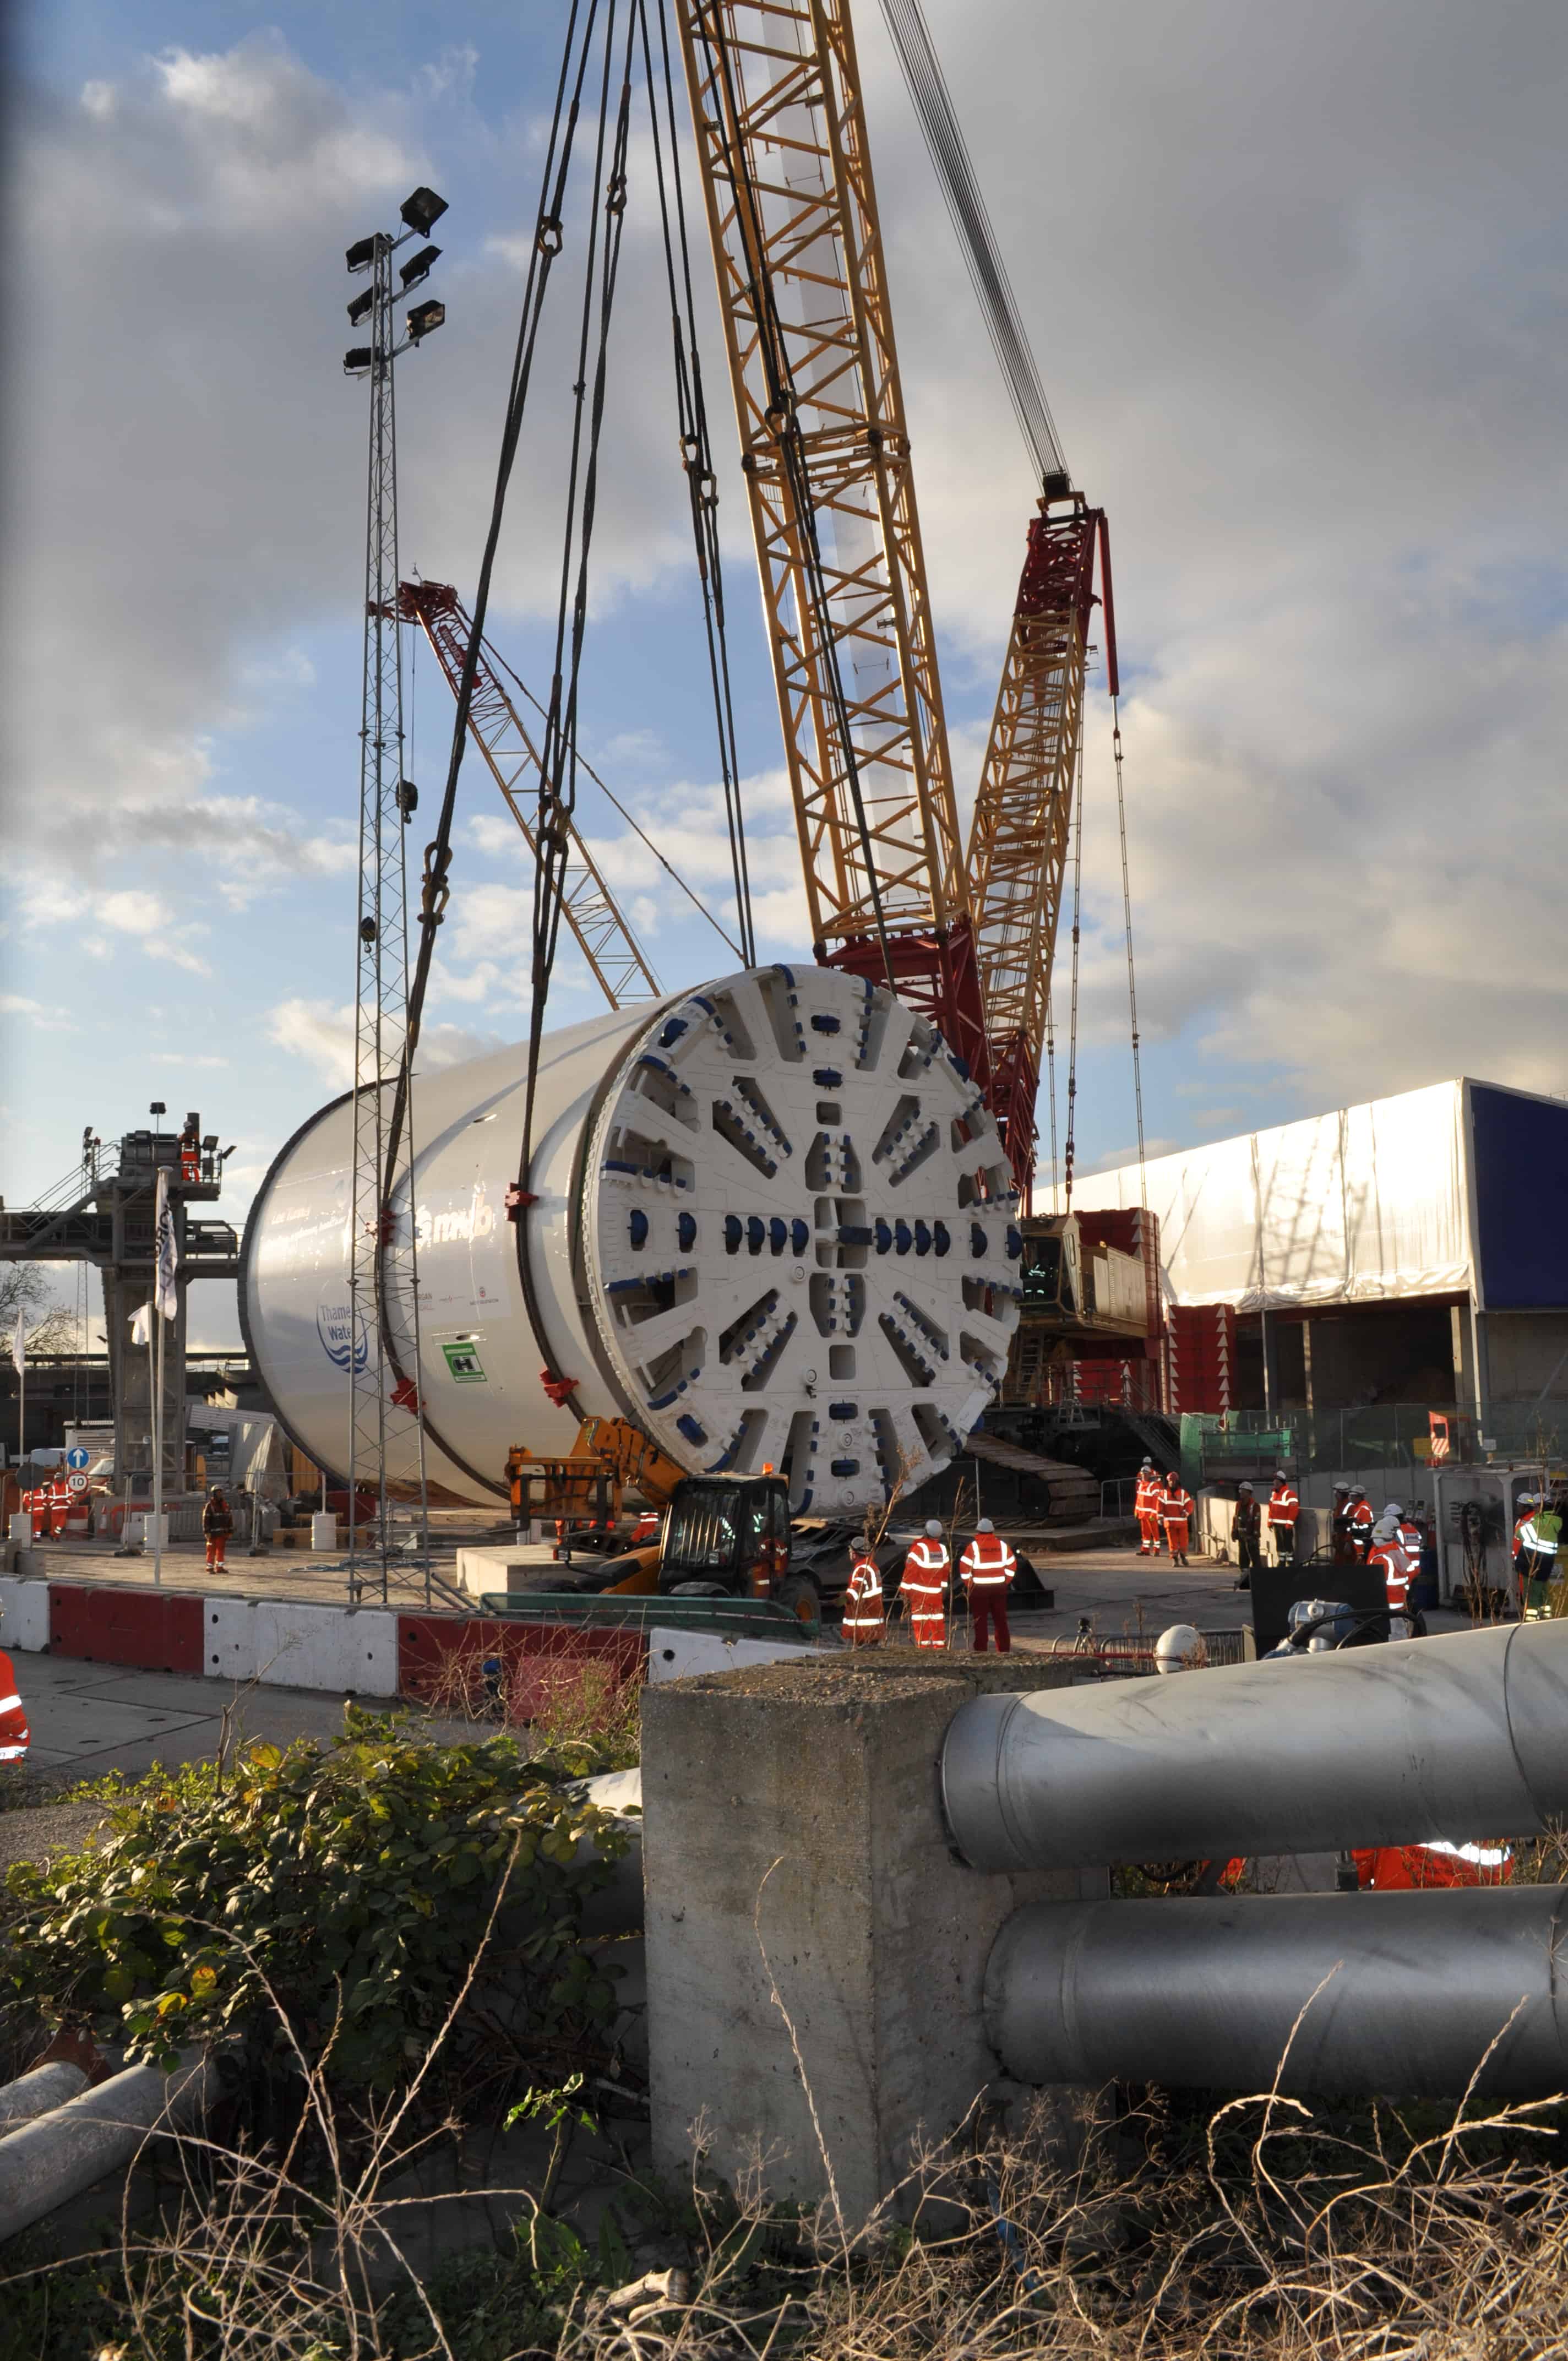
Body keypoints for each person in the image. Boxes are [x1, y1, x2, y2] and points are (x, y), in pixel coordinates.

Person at [959, 1516, 1017, 1653]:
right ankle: (1004, 1651)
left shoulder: (973, 1547)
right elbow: (1012, 1566)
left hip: (979, 1590)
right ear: (993, 1531)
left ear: (978, 1532)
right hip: (999, 1589)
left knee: (980, 1622)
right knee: (1001, 1621)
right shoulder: (1002, 1546)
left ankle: (981, 1651)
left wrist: (970, 1585)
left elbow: (964, 1569)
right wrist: (1004, 1581)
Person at [900, 1519, 949, 1649]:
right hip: (937, 1596)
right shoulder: (943, 1550)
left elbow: (910, 1572)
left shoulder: (919, 1549)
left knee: (921, 1624)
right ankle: (940, 1649)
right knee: (938, 1623)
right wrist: (943, 1588)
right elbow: (945, 1572)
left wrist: (904, 1591)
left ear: (926, 1532)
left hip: (920, 1596)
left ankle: (924, 1651)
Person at [1366, 1507, 1413, 1639]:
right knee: (1400, 1636)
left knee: (1393, 1638)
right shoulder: (1395, 1552)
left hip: (1388, 1605)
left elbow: (1375, 1583)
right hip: (1399, 1604)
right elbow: (1409, 1572)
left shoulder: (1382, 1558)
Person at [842, 1541, 885, 1647]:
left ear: (855, 1554)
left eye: (850, 1551)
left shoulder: (862, 1569)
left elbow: (854, 1593)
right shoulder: (871, 1566)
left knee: (863, 1655)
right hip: (873, 1622)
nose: (850, 1554)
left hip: (864, 1624)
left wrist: (842, 1599)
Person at [1159, 1470, 1195, 1567]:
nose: (1172, 1482)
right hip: (1170, 1524)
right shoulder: (1163, 1493)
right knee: (1172, 1543)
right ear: (1168, 1481)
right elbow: (1160, 1506)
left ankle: (1183, 1557)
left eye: (1174, 1480)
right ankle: (1175, 1560)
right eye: (1170, 1480)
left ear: (1177, 1481)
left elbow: (1190, 1505)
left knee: (1184, 1542)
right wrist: (1160, 1517)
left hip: (1182, 1523)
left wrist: (1186, 1512)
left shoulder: (1183, 1493)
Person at [1267, 1470, 1299, 1566]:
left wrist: (1289, 1524)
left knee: (1288, 1547)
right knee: (1280, 1547)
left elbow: (1293, 1510)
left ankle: (1290, 1563)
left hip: (1286, 1527)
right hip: (1277, 1526)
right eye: (1274, 1481)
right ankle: (1282, 1562)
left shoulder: (1290, 1494)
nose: (1275, 1483)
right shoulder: (1274, 1494)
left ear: (1282, 1482)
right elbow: (1271, 1509)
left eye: (1277, 1482)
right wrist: (1270, 1522)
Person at [1232, 1482, 1262, 1585]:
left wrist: (1255, 1535)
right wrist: (1234, 1530)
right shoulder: (1238, 1504)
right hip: (1241, 1536)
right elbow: (1236, 1518)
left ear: (1249, 1493)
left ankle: (1258, 1580)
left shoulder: (1255, 1506)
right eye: (1240, 1491)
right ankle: (1245, 1580)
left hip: (1251, 1537)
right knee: (1243, 1558)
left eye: (1243, 1491)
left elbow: (1257, 1521)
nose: (1241, 1493)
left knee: (1255, 1559)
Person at [203, 1484, 234, 1573]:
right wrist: (207, 1532)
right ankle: (210, 1567)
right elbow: (206, 1519)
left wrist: (230, 1531)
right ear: (214, 1494)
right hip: (212, 1534)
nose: (220, 1494)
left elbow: (229, 1518)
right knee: (211, 1550)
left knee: (221, 1551)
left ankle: (220, 1568)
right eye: (218, 1492)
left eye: (221, 1492)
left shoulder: (225, 1505)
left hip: (222, 1534)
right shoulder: (210, 1506)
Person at [1134, 1460, 1161, 1557]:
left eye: (1145, 1474)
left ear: (1150, 1474)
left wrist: (1154, 1514)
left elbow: (1156, 1502)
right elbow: (1139, 1499)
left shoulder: (1154, 1486)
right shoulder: (1141, 1485)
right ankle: (1145, 1550)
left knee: (1154, 1532)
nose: (1143, 1476)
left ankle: (1157, 1550)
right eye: (1142, 1474)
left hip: (1150, 1515)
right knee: (1145, 1533)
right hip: (1143, 1514)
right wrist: (1136, 1510)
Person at [1346, 1486, 1374, 1559]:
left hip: (1361, 1546)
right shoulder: (1357, 1507)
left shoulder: (1364, 1508)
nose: (1351, 1498)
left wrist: (1355, 1531)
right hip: (1357, 1544)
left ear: (1359, 1497)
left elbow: (1366, 1527)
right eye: (1351, 1496)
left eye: (1353, 1496)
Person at [1330, 1483, 1355, 1564]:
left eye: (1336, 1492)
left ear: (1342, 1494)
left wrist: (1348, 1542)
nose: (1335, 1494)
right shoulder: (1339, 1507)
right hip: (1339, 1541)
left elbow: (1352, 1526)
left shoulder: (1350, 1507)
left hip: (1345, 1541)